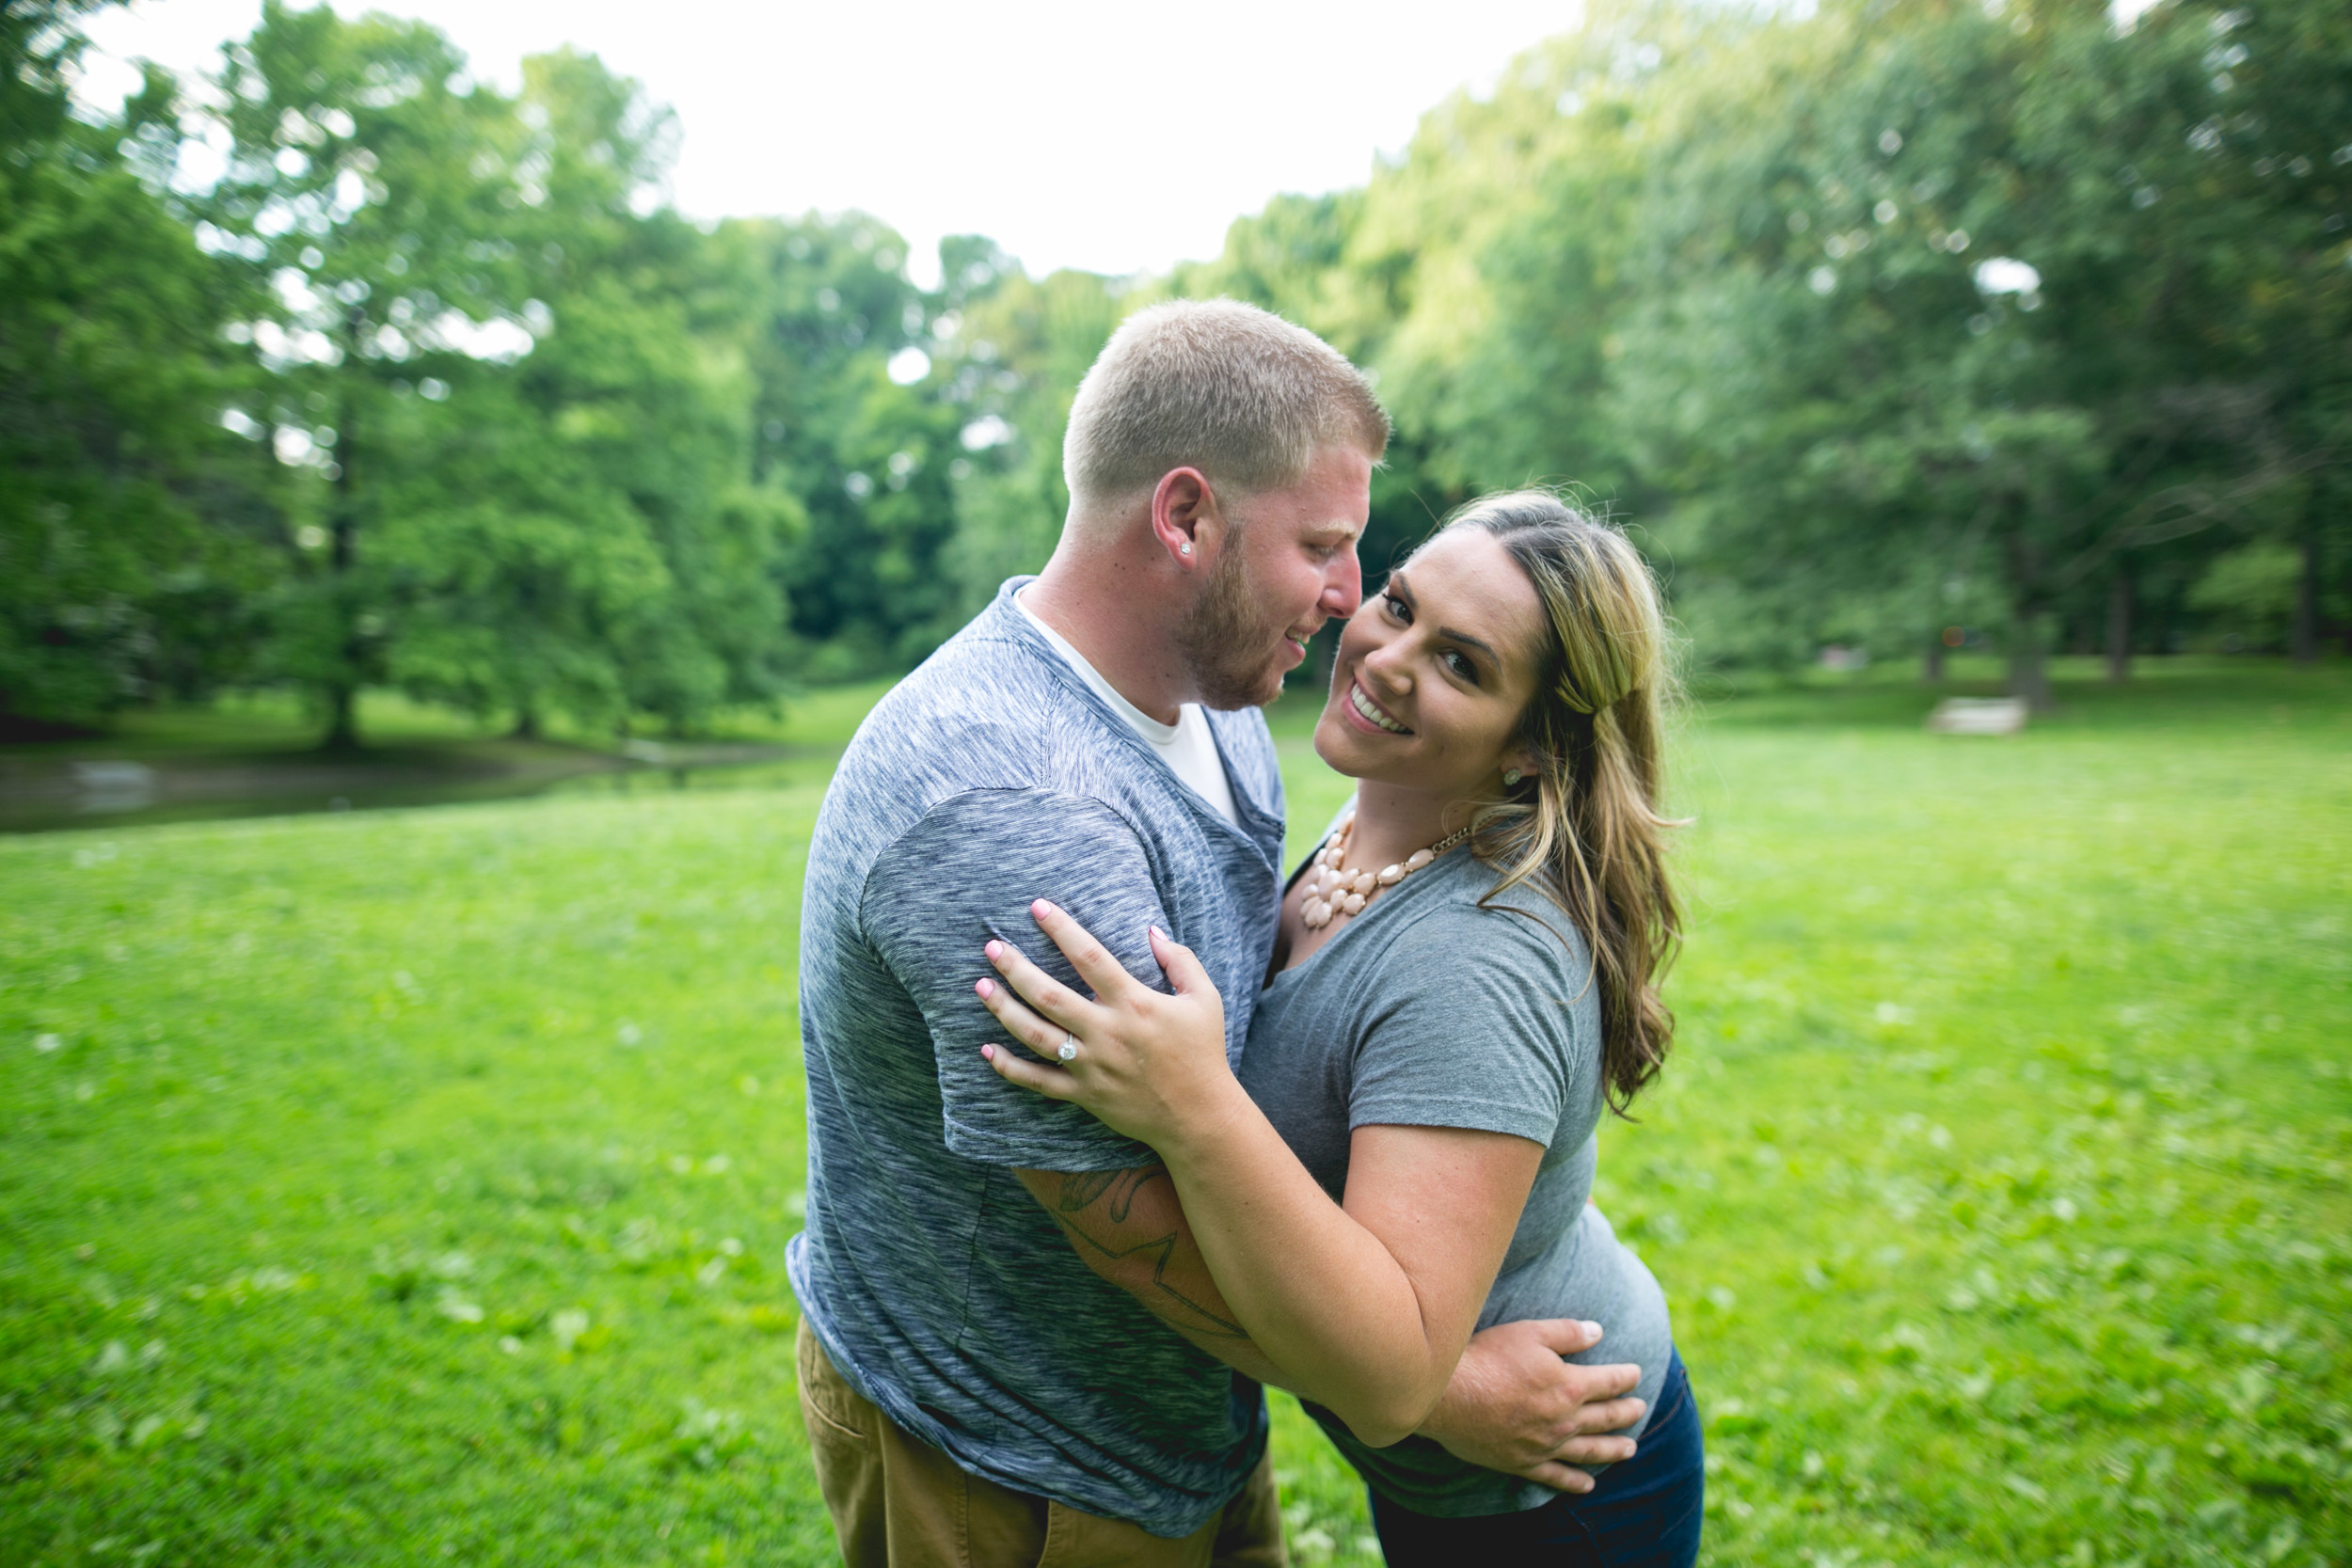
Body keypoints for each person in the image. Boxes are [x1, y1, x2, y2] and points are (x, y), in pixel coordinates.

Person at [788, 309, 1649, 1568]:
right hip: (1014, 1447)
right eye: (1326, 547)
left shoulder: (1218, 698)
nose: (1353, 599)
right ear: (1187, 517)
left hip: (1176, 1419)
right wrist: (1431, 1385)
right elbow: (1118, 1207)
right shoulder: (1017, 811)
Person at [975, 491, 1705, 1565]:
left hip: (1559, 1489)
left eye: (1461, 663)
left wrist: (1194, 1106)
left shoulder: (1479, 960)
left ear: (1535, 750)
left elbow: (1396, 1370)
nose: (1385, 657)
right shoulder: (1378, 813)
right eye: (1398, 603)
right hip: (1453, 1470)